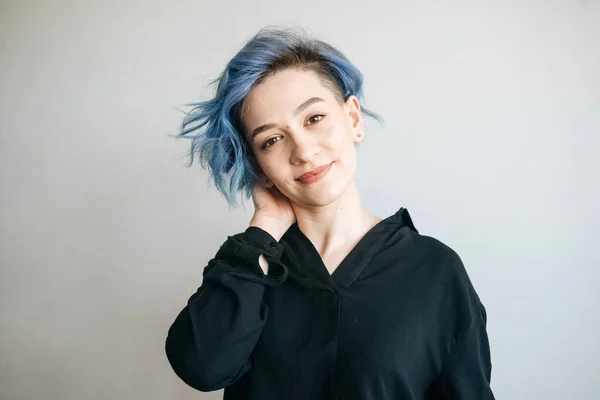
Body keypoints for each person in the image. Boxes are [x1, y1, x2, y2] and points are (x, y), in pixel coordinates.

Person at [164, 26, 495, 400]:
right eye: (271, 140)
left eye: (314, 118)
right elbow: (203, 369)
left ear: (353, 118)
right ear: (258, 166)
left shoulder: (436, 270)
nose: (303, 150)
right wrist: (264, 229)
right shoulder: (250, 274)